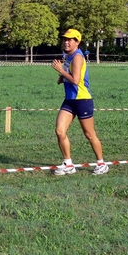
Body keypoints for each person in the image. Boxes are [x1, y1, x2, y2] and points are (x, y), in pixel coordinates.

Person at [50, 29, 109, 175]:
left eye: (70, 39)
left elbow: (76, 80)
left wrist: (61, 71)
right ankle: (68, 164)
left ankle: (101, 163)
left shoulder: (77, 56)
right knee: (59, 131)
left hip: (82, 99)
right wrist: (62, 77)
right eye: (65, 39)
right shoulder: (69, 57)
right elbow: (71, 75)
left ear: (77, 42)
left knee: (89, 134)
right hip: (70, 100)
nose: (66, 42)